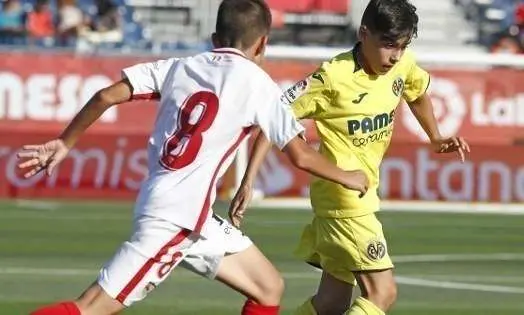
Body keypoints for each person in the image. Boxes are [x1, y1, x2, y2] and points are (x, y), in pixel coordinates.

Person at [19, 1, 368, 315]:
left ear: (216, 37)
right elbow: (302, 156)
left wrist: (65, 143)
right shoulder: (258, 84)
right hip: (176, 221)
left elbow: (106, 95)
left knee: (267, 287)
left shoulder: (179, 66)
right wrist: (350, 177)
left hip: (184, 213)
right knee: (91, 308)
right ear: (263, 43)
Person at [229, 1, 471, 315]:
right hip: (345, 200)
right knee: (382, 293)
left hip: (355, 199)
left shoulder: (402, 64)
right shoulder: (332, 77)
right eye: (387, 45)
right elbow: (272, 119)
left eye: (402, 46)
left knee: (332, 302)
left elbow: (417, 93)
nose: (394, 56)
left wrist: (435, 137)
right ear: (363, 33)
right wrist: (248, 181)